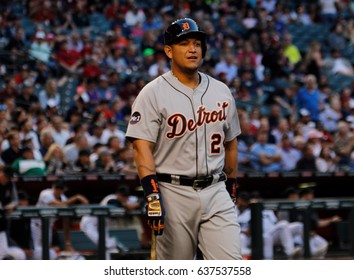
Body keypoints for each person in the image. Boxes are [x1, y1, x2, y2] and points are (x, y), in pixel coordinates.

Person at [125, 18, 242, 260]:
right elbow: (141, 146)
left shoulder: (221, 90)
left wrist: (231, 185)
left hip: (216, 189)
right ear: (169, 51)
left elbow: (231, 142)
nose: (193, 49)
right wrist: (152, 194)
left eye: (197, 43)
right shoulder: (152, 92)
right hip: (173, 192)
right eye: (184, 43)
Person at [30, 180, 89, 260]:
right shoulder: (45, 193)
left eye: (61, 189)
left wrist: (67, 242)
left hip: (48, 227)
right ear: (53, 187)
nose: (58, 191)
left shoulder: (63, 198)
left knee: (46, 251)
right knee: (36, 250)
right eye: (57, 188)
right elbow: (58, 204)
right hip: (36, 226)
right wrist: (76, 197)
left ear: (64, 190)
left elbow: (66, 220)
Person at [0, 166, 26, 260]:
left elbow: (15, 200)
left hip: (1, 225)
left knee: (17, 255)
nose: (6, 179)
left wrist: (12, 205)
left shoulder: (10, 184)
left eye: (8, 177)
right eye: (5, 176)